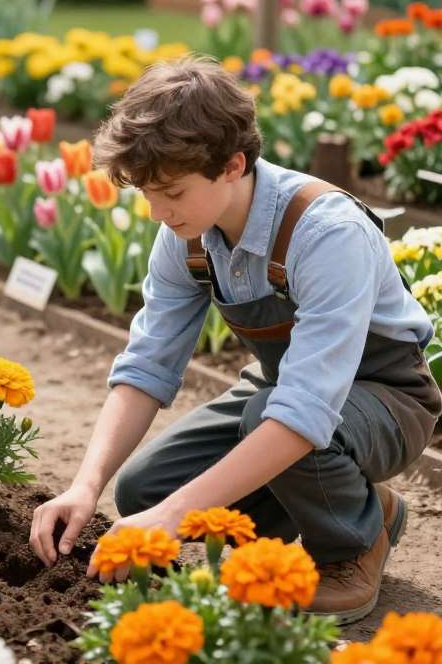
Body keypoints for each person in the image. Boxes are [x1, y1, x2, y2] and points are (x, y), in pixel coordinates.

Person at [28, 55, 441, 623]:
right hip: (282, 390)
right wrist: (85, 487)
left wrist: (176, 516)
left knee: (262, 429)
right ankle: (344, 500)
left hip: (389, 398)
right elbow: (147, 364)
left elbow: (305, 410)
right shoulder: (187, 233)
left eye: (169, 191)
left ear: (232, 165)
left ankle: (353, 541)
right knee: (146, 489)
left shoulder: (325, 233)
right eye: (147, 193)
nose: (157, 212)